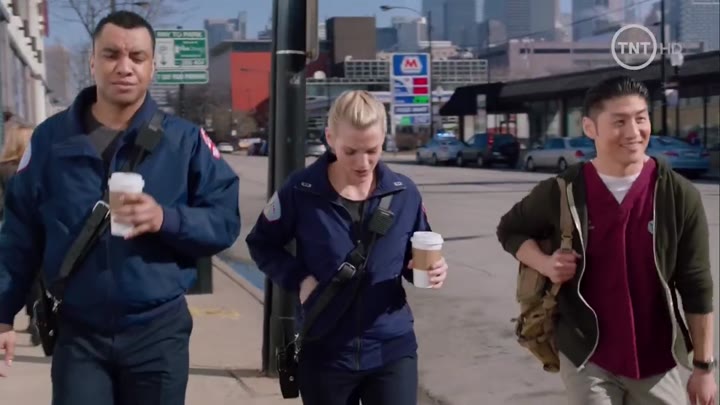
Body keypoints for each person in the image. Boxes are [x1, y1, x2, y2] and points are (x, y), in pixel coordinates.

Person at [0, 10, 241, 405]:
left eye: (137, 57)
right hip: (79, 334)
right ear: (92, 62)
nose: (124, 67)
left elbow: (225, 222)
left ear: (152, 66)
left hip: (158, 333)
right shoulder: (50, 140)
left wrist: (165, 218)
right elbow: (18, 234)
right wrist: (3, 314)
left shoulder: (185, 142)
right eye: (111, 55)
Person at [496, 76, 716, 405]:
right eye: (619, 122)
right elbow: (510, 230)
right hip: (587, 355)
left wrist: (703, 367)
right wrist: (545, 263)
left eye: (641, 118)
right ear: (590, 127)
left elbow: (697, 284)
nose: (634, 131)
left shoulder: (677, 195)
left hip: (656, 358)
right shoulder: (564, 191)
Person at [246, 90, 448, 405]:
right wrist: (299, 279)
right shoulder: (301, 190)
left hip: (390, 348)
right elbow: (261, 243)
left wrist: (432, 270)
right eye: (350, 151)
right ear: (330, 138)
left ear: (384, 139)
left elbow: (414, 256)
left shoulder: (404, 193)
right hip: (325, 351)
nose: (363, 163)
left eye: (372, 150)